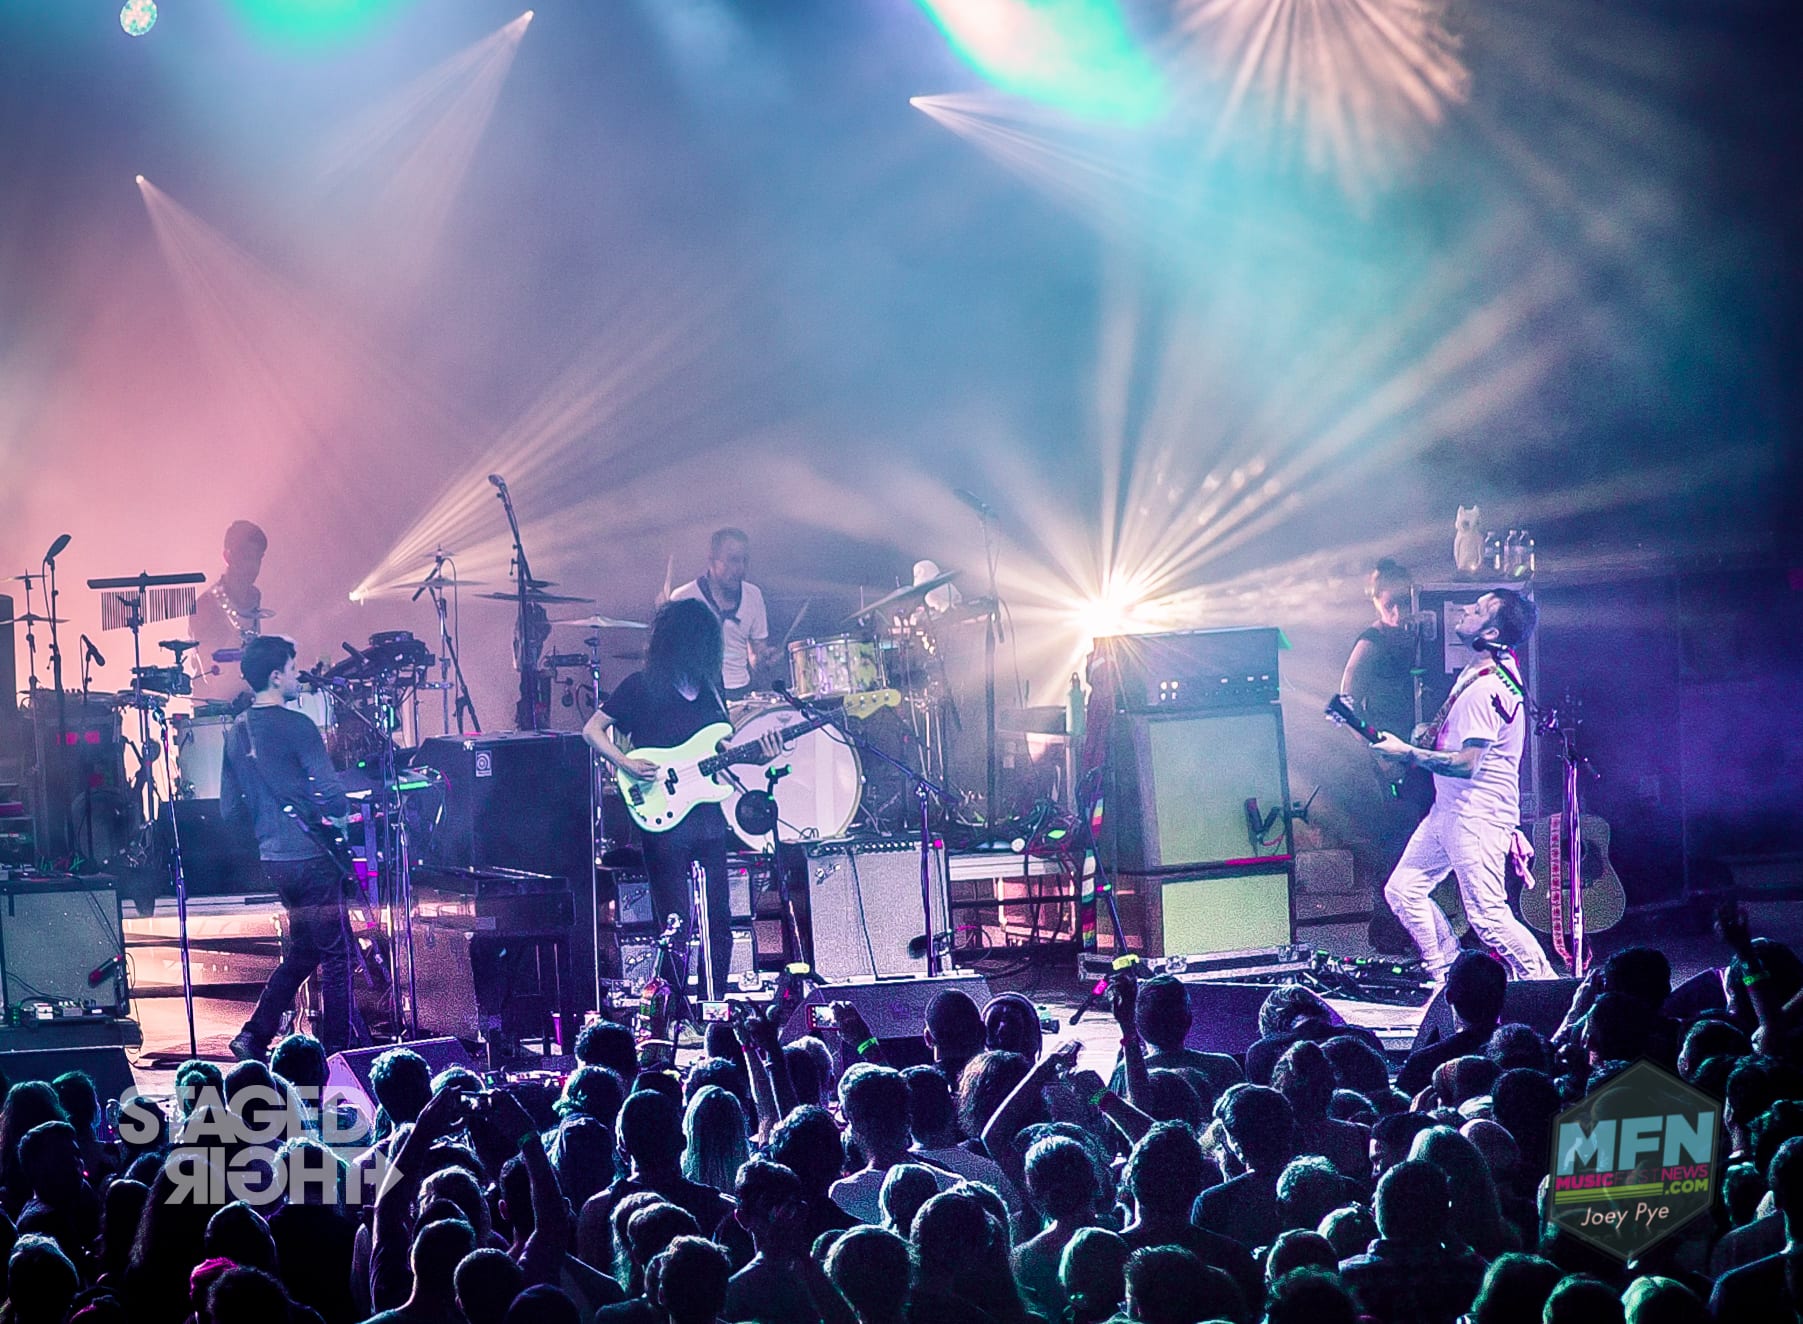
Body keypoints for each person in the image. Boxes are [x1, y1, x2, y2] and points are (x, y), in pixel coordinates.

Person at [583, 599, 780, 1000]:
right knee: (675, 922)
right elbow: (592, 730)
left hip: (708, 818)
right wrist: (625, 762)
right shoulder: (640, 687)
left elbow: (720, 748)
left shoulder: (711, 690)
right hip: (663, 817)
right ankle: (671, 1011)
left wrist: (758, 755)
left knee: (718, 920)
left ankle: (713, 1003)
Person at [1372, 589, 1556, 982]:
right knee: (1403, 890)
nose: (1466, 609)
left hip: (1475, 816)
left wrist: (1407, 752)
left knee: (1488, 918)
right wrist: (1431, 734)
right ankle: (1447, 971)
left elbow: (1468, 764)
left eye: (1479, 609)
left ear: (1490, 633)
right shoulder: (1489, 668)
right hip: (1451, 810)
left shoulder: (1487, 688)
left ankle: (1546, 987)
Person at [221, 634, 352, 1061]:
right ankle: (337, 1054)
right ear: (277, 676)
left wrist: (267, 832)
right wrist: (335, 814)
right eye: (294, 670)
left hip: (275, 859)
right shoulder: (299, 726)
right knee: (336, 955)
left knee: (306, 950)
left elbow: (229, 809)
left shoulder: (237, 731)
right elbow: (333, 795)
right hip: (311, 857)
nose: (299, 677)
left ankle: (254, 1035)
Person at [1338, 558, 1425, 954]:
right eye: (1389, 604)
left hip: (1423, 754)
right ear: (1375, 601)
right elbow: (1344, 704)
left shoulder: (1421, 634)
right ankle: (1391, 934)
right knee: (1396, 844)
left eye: (1403, 602)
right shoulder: (1371, 641)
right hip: (1391, 761)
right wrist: (1377, 751)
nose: (1397, 613)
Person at [658, 528, 772, 700]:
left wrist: (763, 659)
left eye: (744, 560)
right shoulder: (683, 597)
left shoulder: (753, 595)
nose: (740, 568)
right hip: (699, 694)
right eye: (733, 560)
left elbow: (756, 654)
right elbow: (670, 658)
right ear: (712, 561)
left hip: (742, 694)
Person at [189, 520, 269, 701]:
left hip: (248, 700)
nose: (252, 566)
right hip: (213, 708)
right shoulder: (205, 605)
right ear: (228, 556)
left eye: (257, 558)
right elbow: (211, 674)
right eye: (246, 557)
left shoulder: (254, 596)